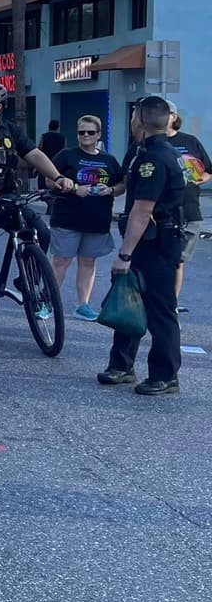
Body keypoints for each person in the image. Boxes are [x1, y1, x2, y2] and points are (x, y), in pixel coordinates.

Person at [0, 82, 75, 345]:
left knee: (41, 231)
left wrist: (58, 176)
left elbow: (34, 154)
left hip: (8, 199)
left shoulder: (11, 131)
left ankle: (27, 278)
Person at [98, 97, 185, 396]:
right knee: (128, 299)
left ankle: (165, 374)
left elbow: (142, 210)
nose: (132, 119)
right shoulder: (144, 151)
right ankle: (121, 366)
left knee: (160, 310)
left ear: (140, 121)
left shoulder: (154, 158)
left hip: (155, 243)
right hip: (147, 241)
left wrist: (125, 254)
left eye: (134, 115)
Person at [45, 114, 124, 321]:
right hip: (67, 218)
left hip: (97, 220)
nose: (86, 136)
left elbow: (122, 184)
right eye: (82, 132)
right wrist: (73, 188)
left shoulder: (109, 160)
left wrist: (111, 189)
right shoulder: (66, 156)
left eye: (90, 132)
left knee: (88, 262)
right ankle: (47, 302)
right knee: (61, 261)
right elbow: (49, 180)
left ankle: (83, 305)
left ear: (99, 134)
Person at [164, 105, 210, 309]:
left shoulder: (190, 141)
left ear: (174, 117)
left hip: (189, 210)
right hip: (159, 212)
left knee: (178, 261)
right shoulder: (147, 143)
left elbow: (207, 170)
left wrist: (197, 179)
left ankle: (170, 302)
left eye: (168, 113)